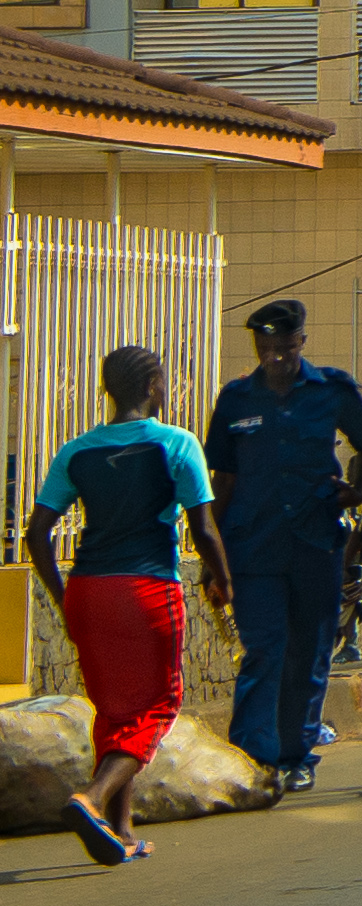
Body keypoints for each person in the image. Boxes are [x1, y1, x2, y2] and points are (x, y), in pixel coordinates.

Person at [21, 344, 228, 864]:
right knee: (158, 707)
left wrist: (62, 595)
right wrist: (222, 578)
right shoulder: (176, 444)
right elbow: (202, 529)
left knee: (113, 711)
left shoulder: (76, 451)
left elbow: (38, 530)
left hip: (89, 592)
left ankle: (121, 829)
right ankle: (90, 798)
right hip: (147, 590)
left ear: (107, 391)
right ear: (155, 387)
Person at [200, 296, 362, 794]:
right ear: (256, 346)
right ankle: (251, 756)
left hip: (316, 543)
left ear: (301, 341)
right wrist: (210, 553)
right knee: (264, 649)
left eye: (285, 346)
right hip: (252, 546)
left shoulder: (332, 391)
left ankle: (296, 753)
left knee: (310, 651)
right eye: (267, 347)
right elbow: (224, 479)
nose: (276, 356)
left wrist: (358, 491)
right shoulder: (236, 400)